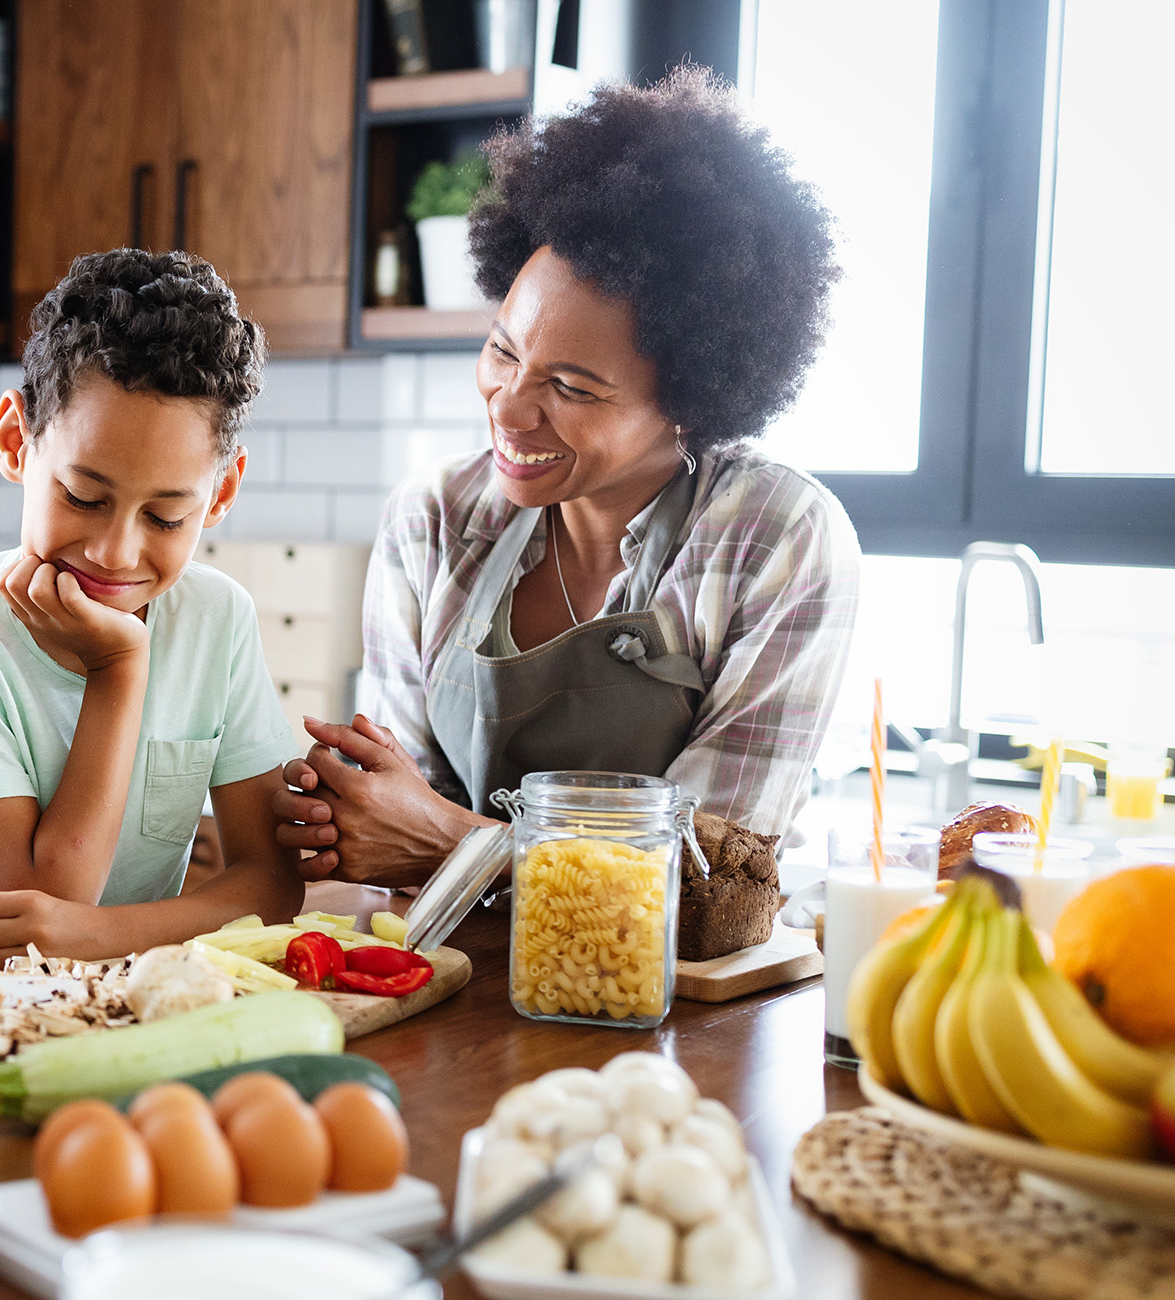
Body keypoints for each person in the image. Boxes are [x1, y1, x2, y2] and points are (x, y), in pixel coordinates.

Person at [276, 69, 859, 889]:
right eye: (504, 351)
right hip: (452, 981)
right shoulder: (433, 519)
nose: (509, 411)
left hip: (670, 1010)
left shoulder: (775, 537)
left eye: (572, 388)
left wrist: (456, 846)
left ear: (689, 397)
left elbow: (708, 878)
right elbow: (388, 821)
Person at [0, 249, 305, 966]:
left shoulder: (217, 620)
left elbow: (269, 882)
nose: (113, 551)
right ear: (16, 441)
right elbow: (35, 924)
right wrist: (118, 669)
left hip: (97, 1004)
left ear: (221, 494)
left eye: (165, 517)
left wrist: (102, 938)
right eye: (83, 497)